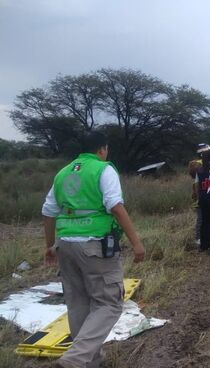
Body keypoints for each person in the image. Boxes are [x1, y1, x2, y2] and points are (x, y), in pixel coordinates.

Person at [41, 132, 145, 368]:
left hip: (65, 244)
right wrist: (137, 243)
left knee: (78, 303)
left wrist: (49, 246)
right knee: (109, 304)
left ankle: (90, 360)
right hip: (94, 246)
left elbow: (48, 211)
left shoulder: (63, 172)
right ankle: (75, 360)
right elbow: (115, 207)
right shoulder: (103, 169)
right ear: (102, 149)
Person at [194, 148, 210, 252]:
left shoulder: (199, 170)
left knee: (204, 222)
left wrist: (198, 196)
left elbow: (196, 185)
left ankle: (203, 245)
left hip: (202, 198)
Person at [189, 143, 210, 245]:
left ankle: (204, 237)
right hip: (201, 193)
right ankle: (199, 238)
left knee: (205, 218)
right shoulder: (198, 165)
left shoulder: (198, 164)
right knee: (202, 218)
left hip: (203, 193)